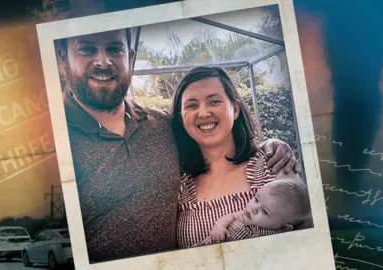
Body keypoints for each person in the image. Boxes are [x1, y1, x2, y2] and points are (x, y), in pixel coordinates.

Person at [56, 28, 299, 262]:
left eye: (115, 49)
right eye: (86, 49)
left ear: (130, 57)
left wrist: (273, 145)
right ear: (63, 58)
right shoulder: (52, 145)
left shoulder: (160, 124)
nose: (103, 62)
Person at [173, 67, 310, 248]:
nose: (204, 113)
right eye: (191, 105)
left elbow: (310, 231)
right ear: (181, 118)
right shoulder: (176, 186)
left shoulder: (273, 163)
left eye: (214, 101)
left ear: (235, 108)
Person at [194, 177, 311, 246]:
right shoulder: (244, 215)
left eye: (265, 211)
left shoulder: (275, 240)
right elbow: (230, 216)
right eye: (256, 199)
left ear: (284, 228)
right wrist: (219, 227)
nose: (254, 208)